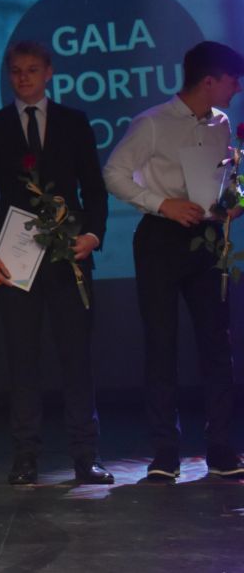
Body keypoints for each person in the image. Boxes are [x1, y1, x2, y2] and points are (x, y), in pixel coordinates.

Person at [103, 40, 244, 481]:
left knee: (216, 344)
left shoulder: (221, 123)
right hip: (161, 237)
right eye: (233, 80)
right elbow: (113, 173)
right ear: (209, 80)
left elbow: (228, 178)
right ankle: (165, 451)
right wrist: (162, 203)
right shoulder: (152, 123)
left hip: (207, 238)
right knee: (162, 344)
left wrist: (236, 200)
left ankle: (220, 447)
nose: (237, 88)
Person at [0, 40, 112, 487]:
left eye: (32, 70)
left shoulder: (74, 122)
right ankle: (25, 457)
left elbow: (94, 188)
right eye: (16, 70)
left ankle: (86, 456)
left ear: (49, 72)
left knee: (77, 358)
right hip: (15, 259)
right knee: (22, 360)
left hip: (69, 255)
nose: (24, 78)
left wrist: (93, 234)